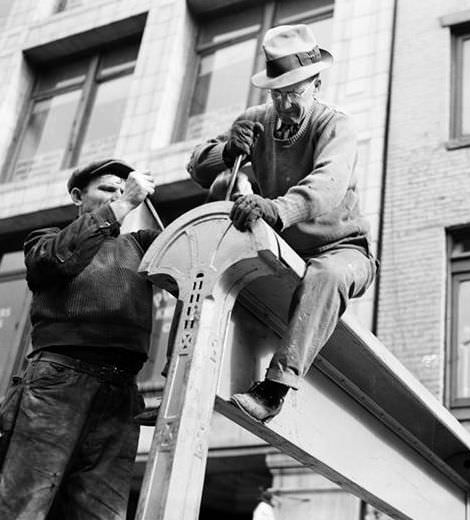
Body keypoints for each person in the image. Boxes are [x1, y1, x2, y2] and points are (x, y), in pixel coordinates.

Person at [187, 24, 377, 423]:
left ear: (317, 84)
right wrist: (226, 151)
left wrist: (277, 209)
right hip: (281, 248)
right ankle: (184, 373)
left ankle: (275, 388)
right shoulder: (257, 120)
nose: (286, 103)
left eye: (296, 92)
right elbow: (197, 168)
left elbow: (328, 185)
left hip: (341, 249)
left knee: (328, 275)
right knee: (212, 266)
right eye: (278, 93)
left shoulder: (335, 125)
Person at [0, 158, 159, 519]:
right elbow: (56, 261)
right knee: (24, 504)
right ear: (77, 196)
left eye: (123, 189)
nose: (119, 195)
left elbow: (196, 244)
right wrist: (122, 206)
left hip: (121, 391)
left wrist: (227, 181)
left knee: (102, 512)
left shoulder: (141, 245)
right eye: (107, 189)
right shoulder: (44, 239)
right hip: (59, 381)